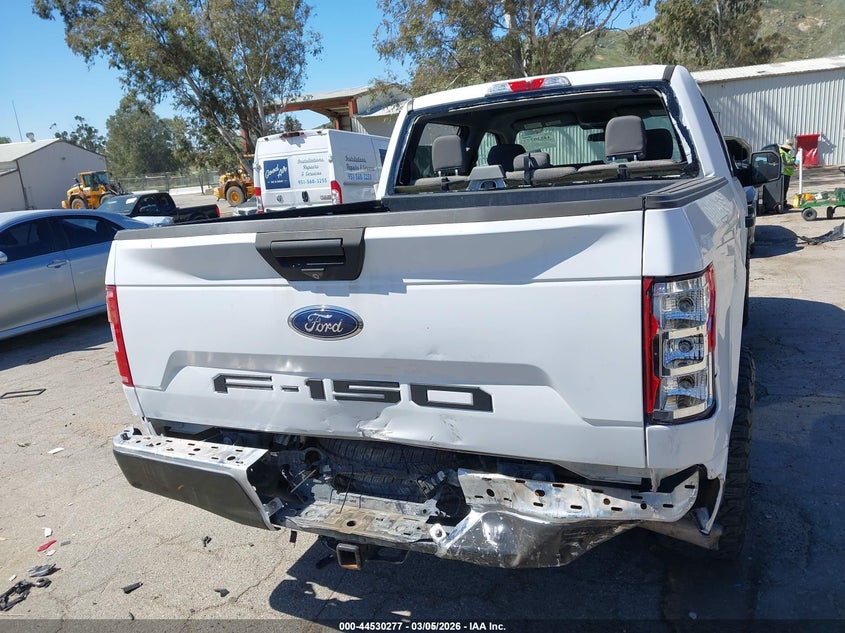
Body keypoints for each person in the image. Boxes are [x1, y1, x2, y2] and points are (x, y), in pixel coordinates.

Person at [779, 138, 797, 211]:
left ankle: (784, 202)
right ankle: (783, 203)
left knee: (784, 189)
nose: (789, 150)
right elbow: (787, 162)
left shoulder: (784, 152)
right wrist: (794, 159)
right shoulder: (783, 153)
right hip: (784, 173)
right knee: (784, 189)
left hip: (786, 173)